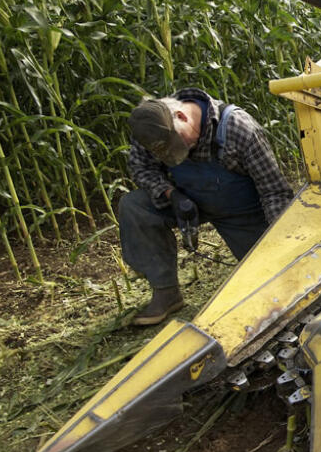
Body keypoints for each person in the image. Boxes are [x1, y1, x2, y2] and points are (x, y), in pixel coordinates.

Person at [121, 88, 292, 325]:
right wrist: (171, 195)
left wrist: (281, 247)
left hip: (242, 211)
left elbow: (274, 191)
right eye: (167, 154)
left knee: (271, 284)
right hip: (187, 199)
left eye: (180, 147)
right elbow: (141, 168)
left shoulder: (238, 129)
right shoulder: (151, 128)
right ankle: (166, 292)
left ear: (181, 116)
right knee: (134, 206)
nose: (177, 157)